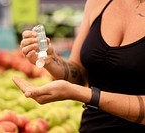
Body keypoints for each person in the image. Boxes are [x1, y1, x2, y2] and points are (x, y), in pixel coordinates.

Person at [12, 0, 145, 132]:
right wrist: (51, 61)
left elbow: (79, 90)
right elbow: (78, 73)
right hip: (91, 127)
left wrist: (79, 93)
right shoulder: (98, 3)